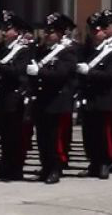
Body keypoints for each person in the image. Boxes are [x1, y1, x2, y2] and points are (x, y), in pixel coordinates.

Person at [76, 10, 112, 180]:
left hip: (104, 97)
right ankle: (93, 162)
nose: (94, 34)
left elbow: (110, 75)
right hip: (89, 97)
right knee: (89, 134)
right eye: (92, 31)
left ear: (104, 32)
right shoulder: (88, 50)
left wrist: (89, 72)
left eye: (97, 31)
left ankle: (105, 163)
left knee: (103, 133)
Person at [29, 12, 78, 184]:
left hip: (57, 101)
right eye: (46, 31)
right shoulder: (42, 50)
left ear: (60, 34)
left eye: (51, 32)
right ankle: (45, 167)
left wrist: (40, 72)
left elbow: (61, 73)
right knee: (41, 138)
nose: (47, 35)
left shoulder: (68, 51)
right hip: (42, 100)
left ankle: (55, 169)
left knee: (53, 138)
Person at [0, 10, 34, 181]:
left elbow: (17, 72)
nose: (3, 32)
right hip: (2, 96)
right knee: (4, 134)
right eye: (2, 28)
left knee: (15, 135)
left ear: (16, 32)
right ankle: (6, 164)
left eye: (7, 29)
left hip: (14, 97)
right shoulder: (1, 49)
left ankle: (15, 168)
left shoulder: (23, 50)